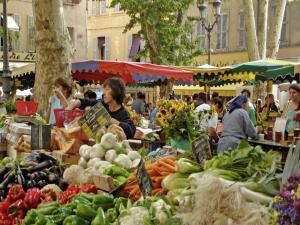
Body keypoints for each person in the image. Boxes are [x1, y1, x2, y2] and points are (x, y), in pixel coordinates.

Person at [67, 77, 136, 139]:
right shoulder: (102, 104)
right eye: (104, 89)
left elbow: (130, 131)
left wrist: (111, 120)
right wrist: (75, 103)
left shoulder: (123, 113)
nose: (104, 93)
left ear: (116, 91)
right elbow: (87, 102)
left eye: (107, 89)